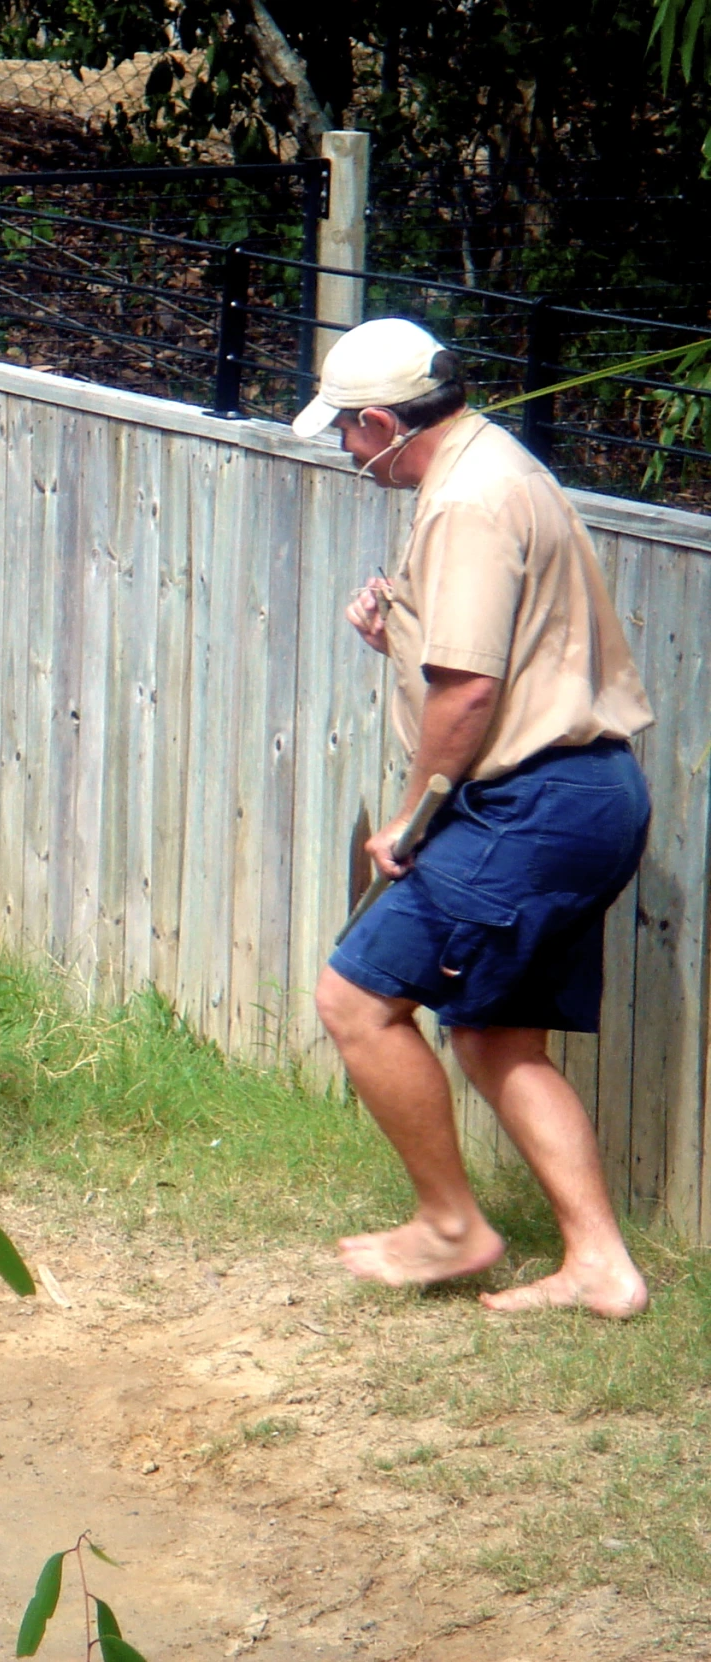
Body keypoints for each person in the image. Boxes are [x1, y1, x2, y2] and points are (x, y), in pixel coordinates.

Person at [293, 317, 655, 1318]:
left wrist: (406, 821)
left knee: (354, 1000)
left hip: (530, 801)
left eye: (346, 434)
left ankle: (452, 1227)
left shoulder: (464, 501)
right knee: (495, 1038)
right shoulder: (496, 463)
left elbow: (467, 696)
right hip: (585, 792)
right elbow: (491, 653)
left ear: (382, 422)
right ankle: (599, 1266)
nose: (345, 455)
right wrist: (394, 632)